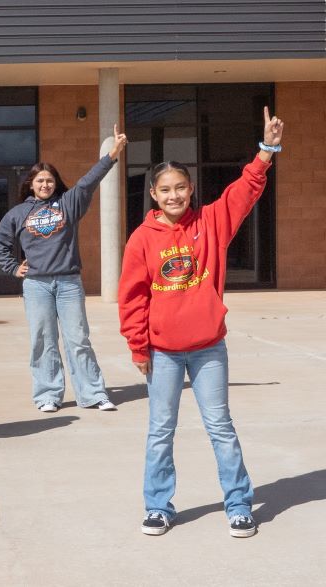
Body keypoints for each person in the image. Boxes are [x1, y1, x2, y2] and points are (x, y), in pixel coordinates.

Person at [118, 107, 283, 538]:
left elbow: (245, 190)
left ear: (191, 189)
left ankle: (239, 504)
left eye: (181, 187)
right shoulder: (141, 239)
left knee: (220, 428)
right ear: (153, 194)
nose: (174, 195)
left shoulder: (211, 222)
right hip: (163, 353)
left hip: (209, 348)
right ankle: (157, 506)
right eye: (165, 189)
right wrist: (139, 346)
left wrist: (266, 149)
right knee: (160, 431)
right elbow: (132, 298)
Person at [0, 132, 129, 413]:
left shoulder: (68, 204)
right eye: (40, 180)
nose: (45, 184)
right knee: (43, 341)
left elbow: (89, 181)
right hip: (36, 285)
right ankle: (47, 395)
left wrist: (113, 153)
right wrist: (13, 267)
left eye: (49, 180)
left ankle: (93, 394)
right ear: (31, 184)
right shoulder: (18, 213)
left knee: (78, 339)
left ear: (56, 184)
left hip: (68, 283)